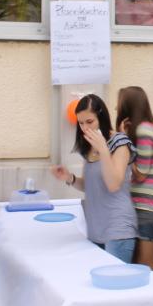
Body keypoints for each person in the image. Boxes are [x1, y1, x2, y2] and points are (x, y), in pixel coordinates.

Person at [51, 94, 139, 263]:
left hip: (118, 228)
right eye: (81, 123)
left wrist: (103, 150)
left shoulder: (119, 142)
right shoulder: (89, 147)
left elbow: (113, 184)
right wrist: (69, 177)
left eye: (89, 122)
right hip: (95, 228)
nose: (85, 128)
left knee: (114, 278)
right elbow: (89, 186)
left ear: (102, 118)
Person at [115, 86, 153, 270]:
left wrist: (123, 141)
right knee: (140, 268)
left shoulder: (144, 131)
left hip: (148, 210)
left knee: (147, 268)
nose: (116, 108)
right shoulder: (148, 127)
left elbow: (141, 173)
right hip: (145, 208)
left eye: (119, 104)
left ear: (129, 106)